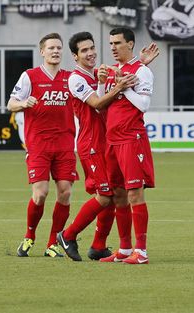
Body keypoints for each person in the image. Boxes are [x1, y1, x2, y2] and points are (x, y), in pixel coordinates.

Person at [56, 32, 159, 261]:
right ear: (75, 56)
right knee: (107, 194)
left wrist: (136, 65)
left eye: (92, 48)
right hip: (92, 142)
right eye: (84, 50)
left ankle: (105, 246)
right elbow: (98, 104)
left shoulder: (104, 72)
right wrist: (116, 85)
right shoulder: (76, 79)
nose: (91, 53)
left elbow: (130, 81)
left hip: (116, 140)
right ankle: (69, 235)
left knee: (117, 193)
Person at [8, 33, 78, 258]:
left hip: (65, 144)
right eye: (51, 48)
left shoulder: (71, 78)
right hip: (38, 145)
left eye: (58, 48)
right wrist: (22, 103)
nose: (56, 51)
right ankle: (29, 236)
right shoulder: (30, 76)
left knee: (65, 192)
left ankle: (53, 243)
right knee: (40, 194)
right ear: (42, 52)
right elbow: (10, 104)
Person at [99, 27, 155, 265]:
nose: (113, 47)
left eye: (118, 43)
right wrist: (104, 85)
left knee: (134, 193)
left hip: (131, 140)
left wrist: (126, 87)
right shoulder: (111, 71)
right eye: (111, 43)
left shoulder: (142, 71)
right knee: (119, 195)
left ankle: (140, 252)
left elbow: (143, 105)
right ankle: (124, 248)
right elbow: (100, 106)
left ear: (130, 44)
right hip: (111, 141)